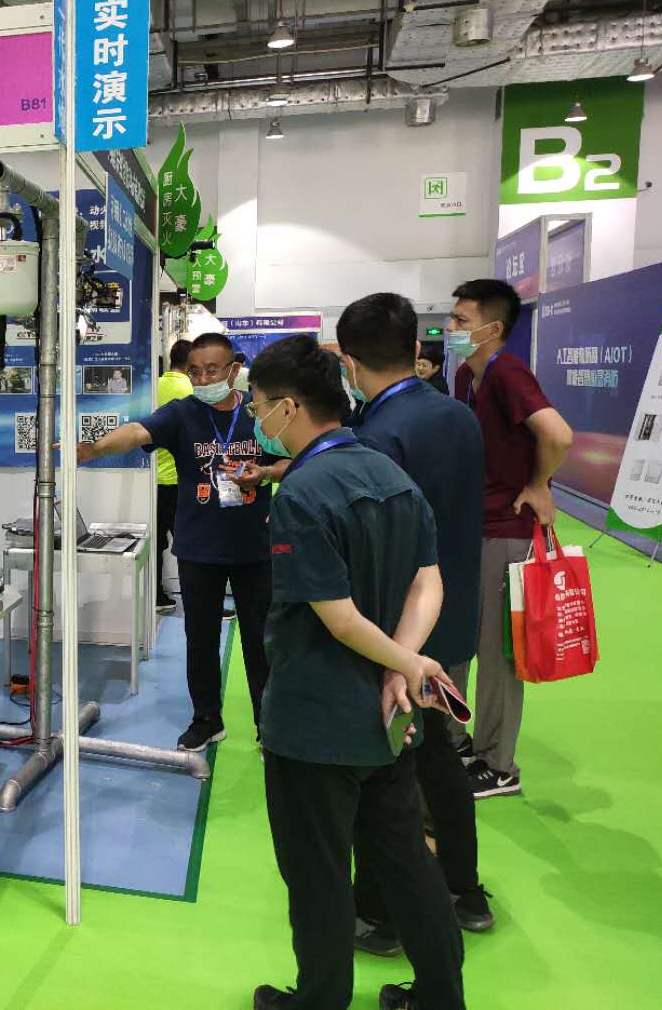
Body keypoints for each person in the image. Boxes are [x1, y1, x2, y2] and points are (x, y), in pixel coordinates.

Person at [245, 335, 465, 1010]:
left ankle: (320, 1001)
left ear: (288, 407)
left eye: (256, 404)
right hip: (388, 716)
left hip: (315, 720)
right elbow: (429, 581)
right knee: (406, 860)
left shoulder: (302, 493)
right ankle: (440, 996)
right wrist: (403, 665)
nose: (255, 417)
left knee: (316, 873)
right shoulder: (391, 474)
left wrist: (406, 662)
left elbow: (338, 619)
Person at [337, 294, 494, 955]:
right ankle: (464, 888)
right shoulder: (457, 414)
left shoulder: (379, 435)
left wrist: (386, 651)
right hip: (451, 615)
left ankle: (382, 914)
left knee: (388, 770)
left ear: (349, 362)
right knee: (436, 753)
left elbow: (379, 548)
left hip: (399, 629)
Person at [77, 332, 271, 752]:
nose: (203, 380)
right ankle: (206, 719)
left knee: (260, 640)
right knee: (199, 639)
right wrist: (94, 450)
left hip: (254, 547)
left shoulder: (258, 414)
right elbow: (137, 431)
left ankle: (268, 725)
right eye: (195, 372)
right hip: (199, 548)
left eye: (212, 371)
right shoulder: (183, 413)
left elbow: (292, 457)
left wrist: (267, 474)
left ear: (233, 371)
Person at [447, 280, 574, 800]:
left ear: (492, 328)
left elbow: (558, 434)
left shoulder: (508, 373)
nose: (450, 328)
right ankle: (457, 738)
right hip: (470, 527)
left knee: (496, 654)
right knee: (459, 640)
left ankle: (498, 764)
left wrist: (539, 484)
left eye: (461, 320)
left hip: (506, 530)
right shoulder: (464, 376)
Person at [154, 341, 196, 613]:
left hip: (153, 481)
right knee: (190, 545)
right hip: (180, 481)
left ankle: (157, 597)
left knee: (157, 543)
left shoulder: (154, 386)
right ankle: (197, 600)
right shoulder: (191, 390)